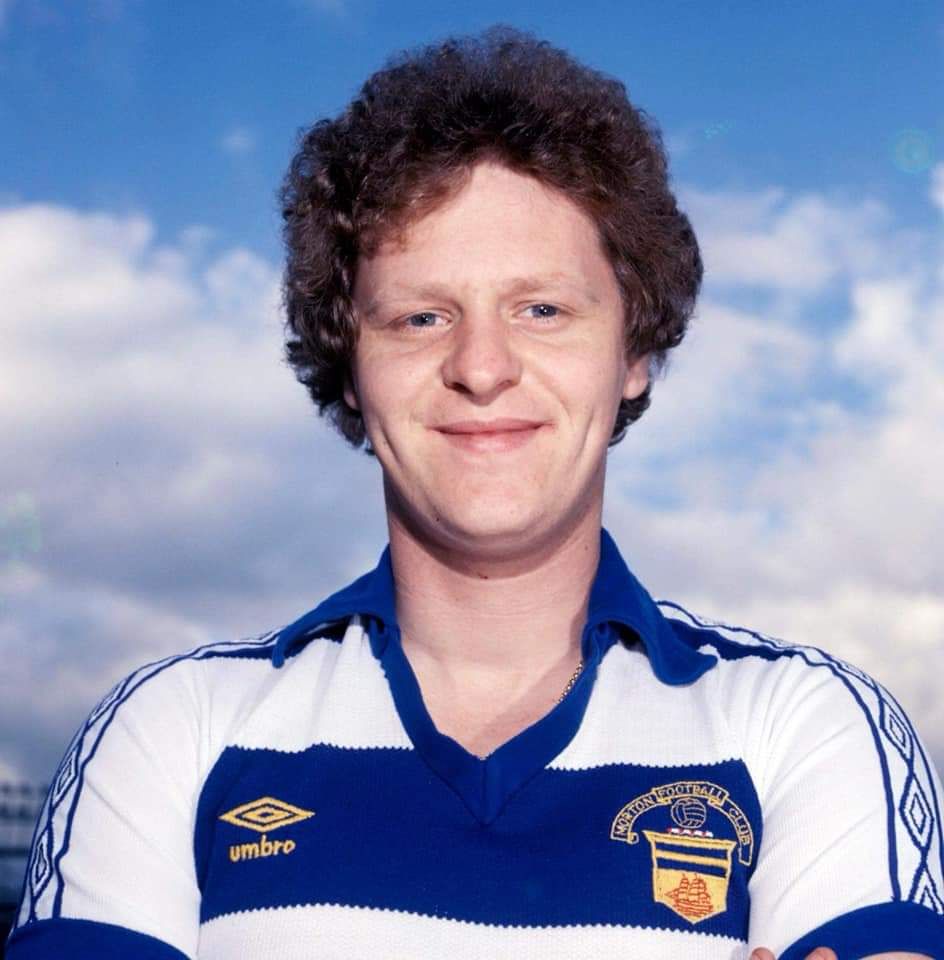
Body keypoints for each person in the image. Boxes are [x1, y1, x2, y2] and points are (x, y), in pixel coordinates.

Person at [7, 24, 943, 960]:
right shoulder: (170, 731)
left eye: (542, 309)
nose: (482, 367)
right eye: (421, 317)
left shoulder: (807, 726)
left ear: (634, 353)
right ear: (349, 369)